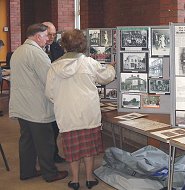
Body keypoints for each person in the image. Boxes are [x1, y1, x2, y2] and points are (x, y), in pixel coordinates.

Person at [45, 29, 116, 190]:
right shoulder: (89, 63)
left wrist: (62, 101)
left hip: (67, 115)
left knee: (72, 149)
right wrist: (111, 67)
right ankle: (90, 179)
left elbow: (49, 93)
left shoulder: (54, 67)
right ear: (83, 45)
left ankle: (75, 180)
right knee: (89, 148)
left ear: (63, 45)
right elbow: (106, 77)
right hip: (88, 113)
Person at [9, 23, 68, 182]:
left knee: (27, 141)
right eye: (45, 35)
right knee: (45, 142)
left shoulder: (19, 51)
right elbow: (49, 79)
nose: (47, 39)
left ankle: (27, 171)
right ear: (37, 36)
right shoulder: (36, 53)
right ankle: (50, 173)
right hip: (36, 107)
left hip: (22, 105)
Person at [42, 21, 65, 163]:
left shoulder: (57, 47)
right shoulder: (36, 49)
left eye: (54, 34)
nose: (51, 37)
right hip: (41, 93)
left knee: (55, 127)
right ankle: (45, 156)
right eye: (49, 34)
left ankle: (54, 153)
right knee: (44, 130)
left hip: (56, 93)